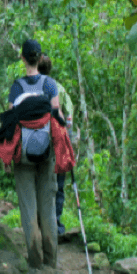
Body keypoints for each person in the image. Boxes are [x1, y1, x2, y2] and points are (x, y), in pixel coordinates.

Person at [0, 39, 74, 270]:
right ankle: (51, 259)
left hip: (22, 155)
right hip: (47, 153)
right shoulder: (50, 85)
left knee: (28, 206)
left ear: (22, 58)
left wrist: (6, 158)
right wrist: (65, 152)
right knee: (48, 206)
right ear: (40, 59)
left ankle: (35, 260)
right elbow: (58, 120)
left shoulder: (16, 87)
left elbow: (9, 123)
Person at [37, 54, 75, 237]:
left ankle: (40, 224)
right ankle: (56, 225)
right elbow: (69, 118)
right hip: (57, 143)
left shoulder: (28, 86)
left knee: (39, 185)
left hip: (36, 145)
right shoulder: (58, 88)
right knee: (58, 186)